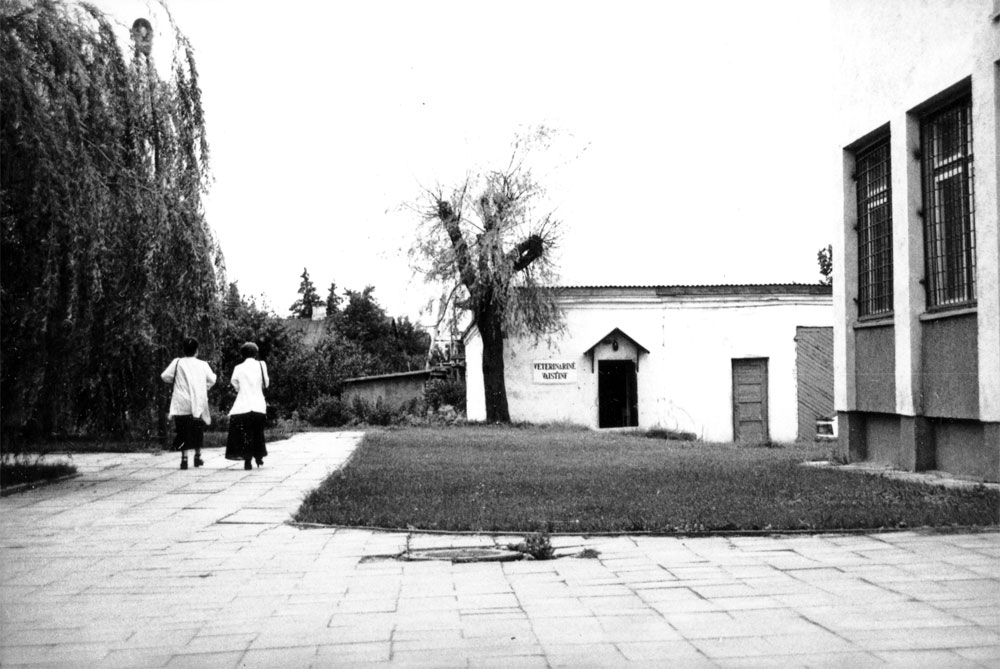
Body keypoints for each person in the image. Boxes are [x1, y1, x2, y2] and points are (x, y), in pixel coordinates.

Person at [161, 337, 217, 470]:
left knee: (182, 430)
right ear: (197, 350)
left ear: (184, 350)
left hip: (181, 402)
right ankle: (197, 457)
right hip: (197, 402)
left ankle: (184, 459)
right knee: (197, 429)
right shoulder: (203, 364)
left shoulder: (177, 362)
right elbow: (212, 379)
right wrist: (204, 386)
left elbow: (164, 376)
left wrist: (176, 380)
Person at [225, 342, 269, 470]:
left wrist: (242, 388)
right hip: (258, 404)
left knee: (245, 434)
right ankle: (259, 455)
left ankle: (247, 460)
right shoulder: (261, 365)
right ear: (256, 353)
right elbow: (266, 383)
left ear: (242, 354)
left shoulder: (238, 368)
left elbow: (235, 384)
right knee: (257, 432)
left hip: (242, 405)